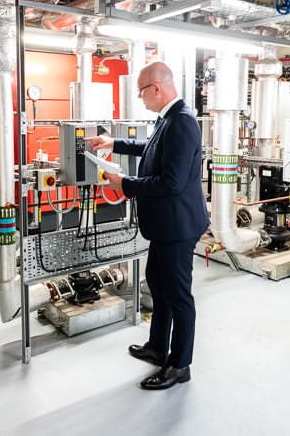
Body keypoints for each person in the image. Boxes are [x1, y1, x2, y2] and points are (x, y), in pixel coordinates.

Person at [87, 61, 209, 390]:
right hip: (165, 225)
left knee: (178, 295)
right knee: (157, 282)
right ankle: (157, 347)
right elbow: (151, 148)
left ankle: (180, 365)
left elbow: (171, 182)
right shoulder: (168, 118)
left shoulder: (182, 122)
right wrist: (114, 143)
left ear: (155, 88)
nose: (139, 98)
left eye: (141, 91)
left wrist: (124, 184)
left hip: (178, 226)